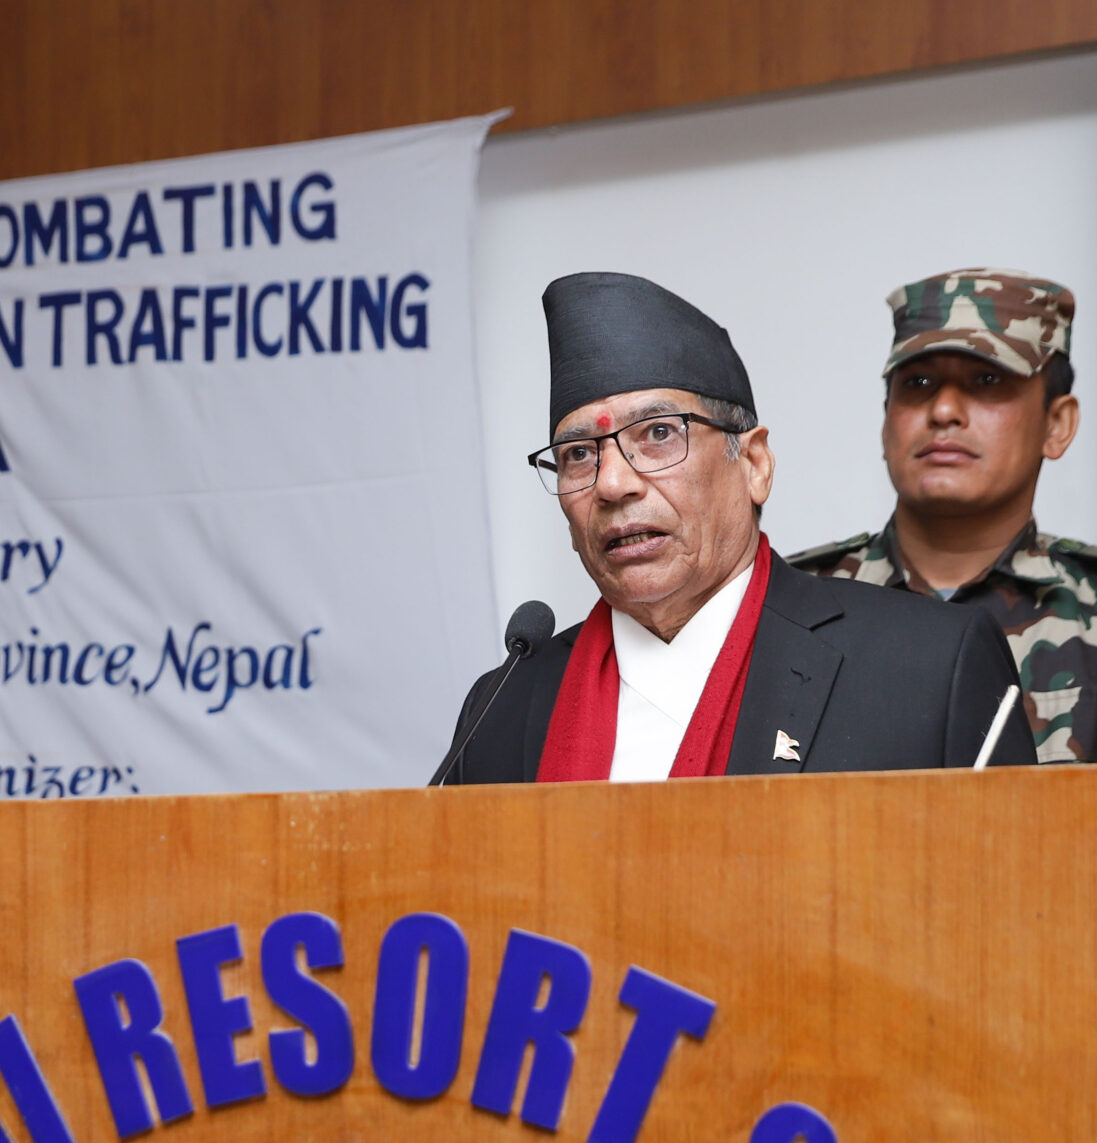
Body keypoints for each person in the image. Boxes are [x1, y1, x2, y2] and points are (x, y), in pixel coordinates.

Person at [439, 271, 1033, 783]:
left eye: (658, 434)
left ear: (754, 465)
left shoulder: (928, 667)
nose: (613, 484)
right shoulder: (504, 706)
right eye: (578, 455)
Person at [790, 268, 1097, 763]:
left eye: (986, 380)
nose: (943, 410)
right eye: (918, 383)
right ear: (886, 418)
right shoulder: (790, 606)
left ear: (1057, 424)